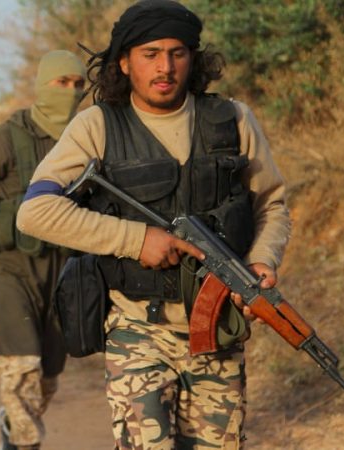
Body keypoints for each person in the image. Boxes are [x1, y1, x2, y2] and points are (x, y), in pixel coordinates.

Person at [16, 1, 291, 448]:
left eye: (177, 53)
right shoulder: (97, 125)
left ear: (193, 59)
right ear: (124, 63)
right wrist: (136, 239)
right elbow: (35, 211)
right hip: (136, 327)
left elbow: (271, 203)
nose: (165, 67)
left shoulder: (232, 120)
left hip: (218, 331)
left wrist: (262, 260)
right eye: (150, 54)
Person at [0, 50, 86, 450]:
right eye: (62, 83)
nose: (70, 92)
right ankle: (24, 443)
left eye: (78, 84)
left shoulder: (89, 137)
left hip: (64, 272)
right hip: (11, 267)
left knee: (47, 377)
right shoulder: (6, 137)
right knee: (21, 366)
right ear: (43, 85)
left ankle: (13, 424)